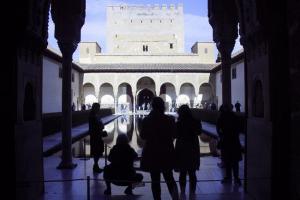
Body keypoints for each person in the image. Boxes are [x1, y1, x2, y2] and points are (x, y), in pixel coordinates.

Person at [140, 97, 179, 200]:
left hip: (152, 153)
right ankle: (176, 198)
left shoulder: (147, 120)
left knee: (155, 180)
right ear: (162, 106)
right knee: (169, 178)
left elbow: (143, 136)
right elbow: (175, 134)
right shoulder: (169, 120)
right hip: (166, 152)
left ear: (152, 106)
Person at [175, 105, 202, 195]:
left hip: (181, 147)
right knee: (192, 172)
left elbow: (175, 135)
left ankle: (182, 191)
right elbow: (199, 132)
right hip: (192, 147)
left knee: (182, 172)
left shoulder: (179, 123)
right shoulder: (196, 121)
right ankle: (192, 192)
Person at [216, 104, 242, 185]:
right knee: (235, 161)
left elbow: (218, 127)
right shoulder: (234, 116)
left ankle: (228, 177)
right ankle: (236, 178)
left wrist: (221, 135)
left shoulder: (222, 117)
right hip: (234, 141)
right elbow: (239, 128)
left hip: (226, 141)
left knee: (227, 160)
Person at [89, 103, 107, 173]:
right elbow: (98, 125)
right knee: (97, 152)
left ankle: (96, 165)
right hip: (95, 137)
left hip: (97, 136)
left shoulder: (94, 115)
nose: (99, 109)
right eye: (98, 108)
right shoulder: (93, 116)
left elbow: (100, 124)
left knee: (98, 152)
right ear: (95, 108)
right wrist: (101, 126)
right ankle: (95, 166)